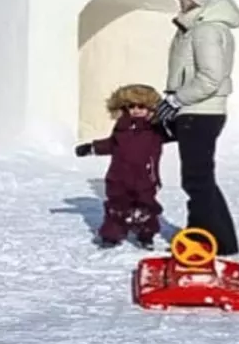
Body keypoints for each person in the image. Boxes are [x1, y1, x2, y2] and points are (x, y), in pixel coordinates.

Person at [153, 0, 239, 256]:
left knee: (197, 179)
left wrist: (177, 100)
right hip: (195, 111)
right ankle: (206, 235)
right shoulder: (197, 27)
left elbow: (210, 77)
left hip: (199, 112)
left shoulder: (205, 30)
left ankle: (213, 240)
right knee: (198, 178)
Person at [74, 83, 173, 249]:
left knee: (146, 208)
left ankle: (145, 234)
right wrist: (91, 148)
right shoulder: (121, 127)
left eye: (141, 106)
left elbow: (176, 132)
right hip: (119, 177)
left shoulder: (157, 130)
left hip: (146, 178)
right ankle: (111, 235)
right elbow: (111, 144)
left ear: (151, 109)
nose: (136, 110)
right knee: (116, 207)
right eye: (131, 106)